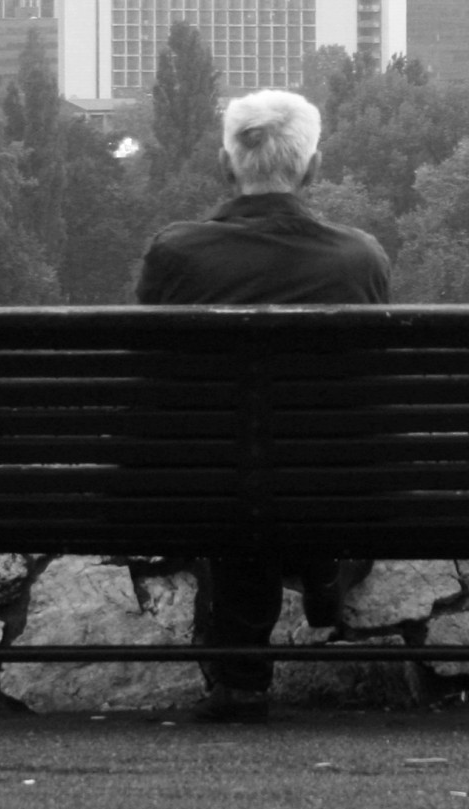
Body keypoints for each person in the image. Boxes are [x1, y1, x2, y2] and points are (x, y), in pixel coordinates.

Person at [135, 88, 390, 723]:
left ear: (226, 166)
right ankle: (322, 563)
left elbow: (153, 373)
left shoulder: (177, 253)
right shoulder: (358, 257)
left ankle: (244, 681)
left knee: (236, 473)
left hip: (208, 481)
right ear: (314, 167)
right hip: (331, 483)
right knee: (287, 465)